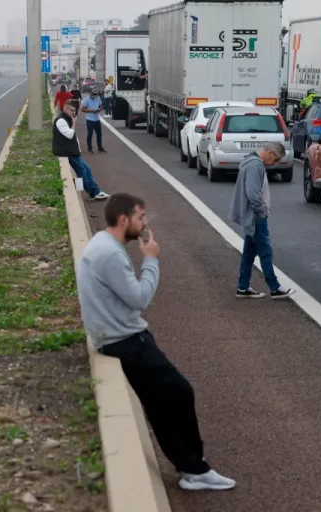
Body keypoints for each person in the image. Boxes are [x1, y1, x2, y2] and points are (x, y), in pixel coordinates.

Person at [76, 193, 236, 492]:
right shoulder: (110, 253)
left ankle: (191, 467)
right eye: (141, 217)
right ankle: (195, 468)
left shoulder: (102, 243)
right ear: (124, 220)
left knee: (161, 403)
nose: (145, 223)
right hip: (125, 340)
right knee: (179, 392)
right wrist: (151, 261)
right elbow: (139, 299)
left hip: (113, 336)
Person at [229, 143, 295, 299]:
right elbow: (253, 193)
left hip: (251, 215)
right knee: (265, 252)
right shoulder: (255, 165)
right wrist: (262, 211)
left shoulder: (250, 161)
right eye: (276, 159)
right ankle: (275, 287)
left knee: (249, 253)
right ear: (270, 152)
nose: (275, 163)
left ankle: (243, 287)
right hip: (256, 217)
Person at [52, 100, 109, 201]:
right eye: (72, 110)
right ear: (65, 109)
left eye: (75, 111)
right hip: (67, 152)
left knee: (87, 170)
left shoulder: (66, 119)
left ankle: (95, 191)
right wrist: (74, 123)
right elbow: (70, 135)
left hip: (73, 151)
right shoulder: (61, 121)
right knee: (82, 172)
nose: (74, 113)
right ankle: (93, 192)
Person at [82, 89, 107, 154]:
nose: (95, 96)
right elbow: (83, 109)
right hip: (90, 120)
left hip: (97, 119)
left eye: (96, 95)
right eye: (94, 95)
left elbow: (101, 105)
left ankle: (100, 148)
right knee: (90, 134)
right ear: (91, 94)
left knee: (99, 134)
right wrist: (91, 111)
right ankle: (89, 148)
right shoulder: (86, 100)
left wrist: (100, 109)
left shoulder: (98, 98)